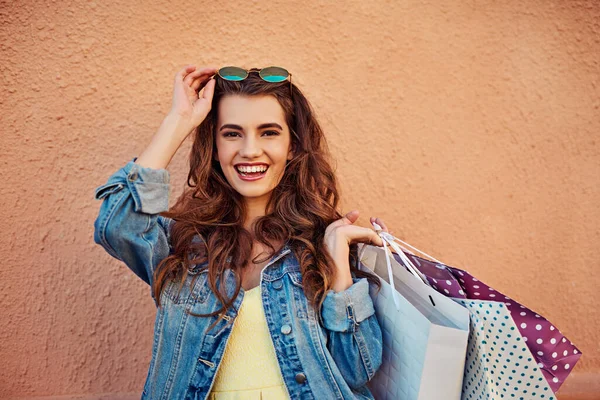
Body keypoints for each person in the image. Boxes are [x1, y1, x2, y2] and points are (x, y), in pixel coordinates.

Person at [93, 64, 389, 399]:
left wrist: (338, 271)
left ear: (292, 146)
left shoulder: (319, 243)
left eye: (269, 132)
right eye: (232, 133)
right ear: (215, 147)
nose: (249, 150)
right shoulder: (182, 247)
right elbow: (117, 224)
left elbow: (357, 369)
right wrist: (179, 122)